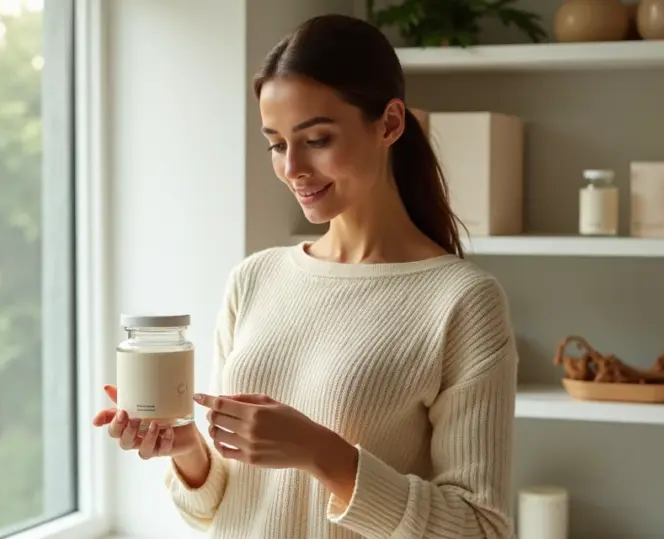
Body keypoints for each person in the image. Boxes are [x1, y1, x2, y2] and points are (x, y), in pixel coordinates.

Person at [92, 13, 518, 539]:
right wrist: (188, 451)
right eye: (275, 143)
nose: (292, 166)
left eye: (315, 139)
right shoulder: (255, 279)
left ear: (389, 123)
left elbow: (481, 529)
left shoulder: (461, 301)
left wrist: (321, 453)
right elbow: (219, 508)